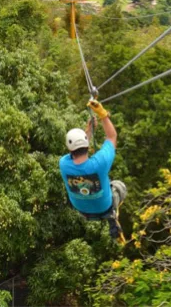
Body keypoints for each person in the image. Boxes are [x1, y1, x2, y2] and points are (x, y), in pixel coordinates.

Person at [59, 98, 127, 242]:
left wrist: (88, 131)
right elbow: (112, 136)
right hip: (103, 207)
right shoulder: (100, 162)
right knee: (119, 186)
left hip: (82, 210)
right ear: (86, 145)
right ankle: (112, 214)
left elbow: (78, 150)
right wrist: (103, 114)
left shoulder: (64, 164)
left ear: (69, 148)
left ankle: (109, 213)